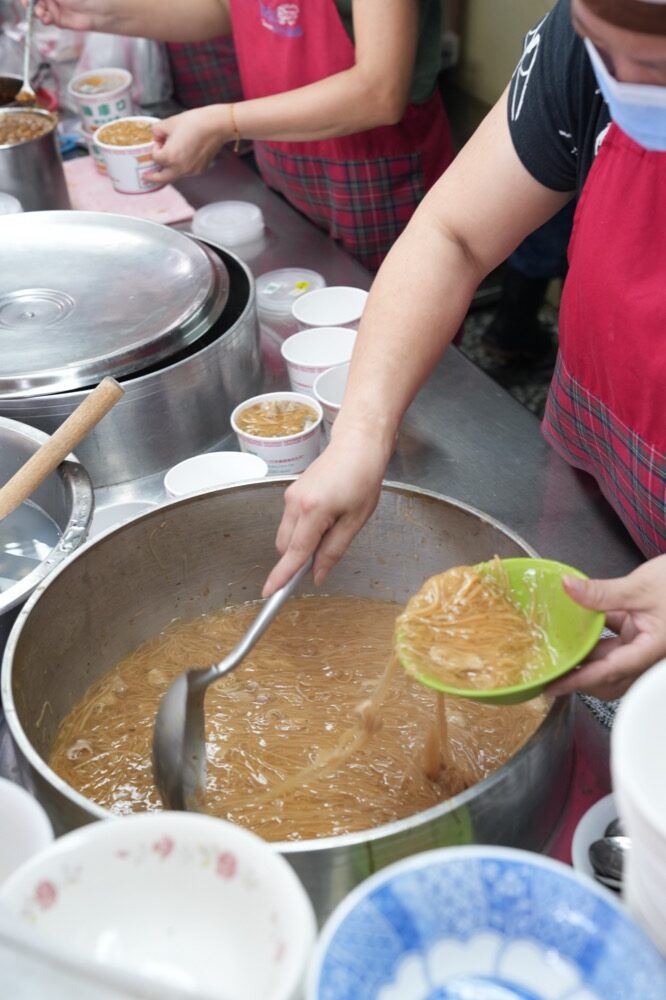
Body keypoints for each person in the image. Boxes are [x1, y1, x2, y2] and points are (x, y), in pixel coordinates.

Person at [260, 0, 666, 702]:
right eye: (602, 47)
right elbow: (454, 234)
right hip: (598, 470)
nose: (621, 79)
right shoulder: (582, 42)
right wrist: (360, 435)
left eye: (658, 66)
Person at [35, 0, 454, 271]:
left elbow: (378, 93)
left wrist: (223, 122)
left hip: (375, 172)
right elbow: (229, 10)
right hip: (283, 158)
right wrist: (95, 13)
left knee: (390, 337)